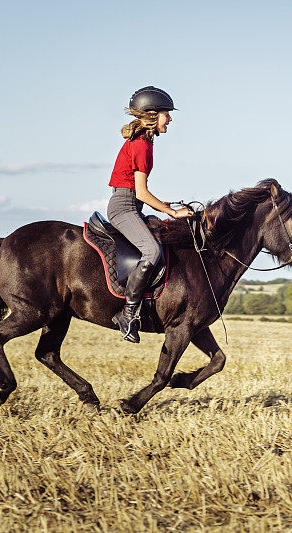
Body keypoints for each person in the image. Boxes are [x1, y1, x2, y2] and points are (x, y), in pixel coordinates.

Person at [107, 86, 192, 342]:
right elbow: (141, 193)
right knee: (152, 251)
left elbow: (141, 194)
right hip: (124, 207)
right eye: (168, 114)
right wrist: (172, 212)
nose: (171, 119)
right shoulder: (141, 146)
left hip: (132, 205)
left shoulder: (144, 143)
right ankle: (128, 313)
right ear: (154, 115)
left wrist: (166, 204)